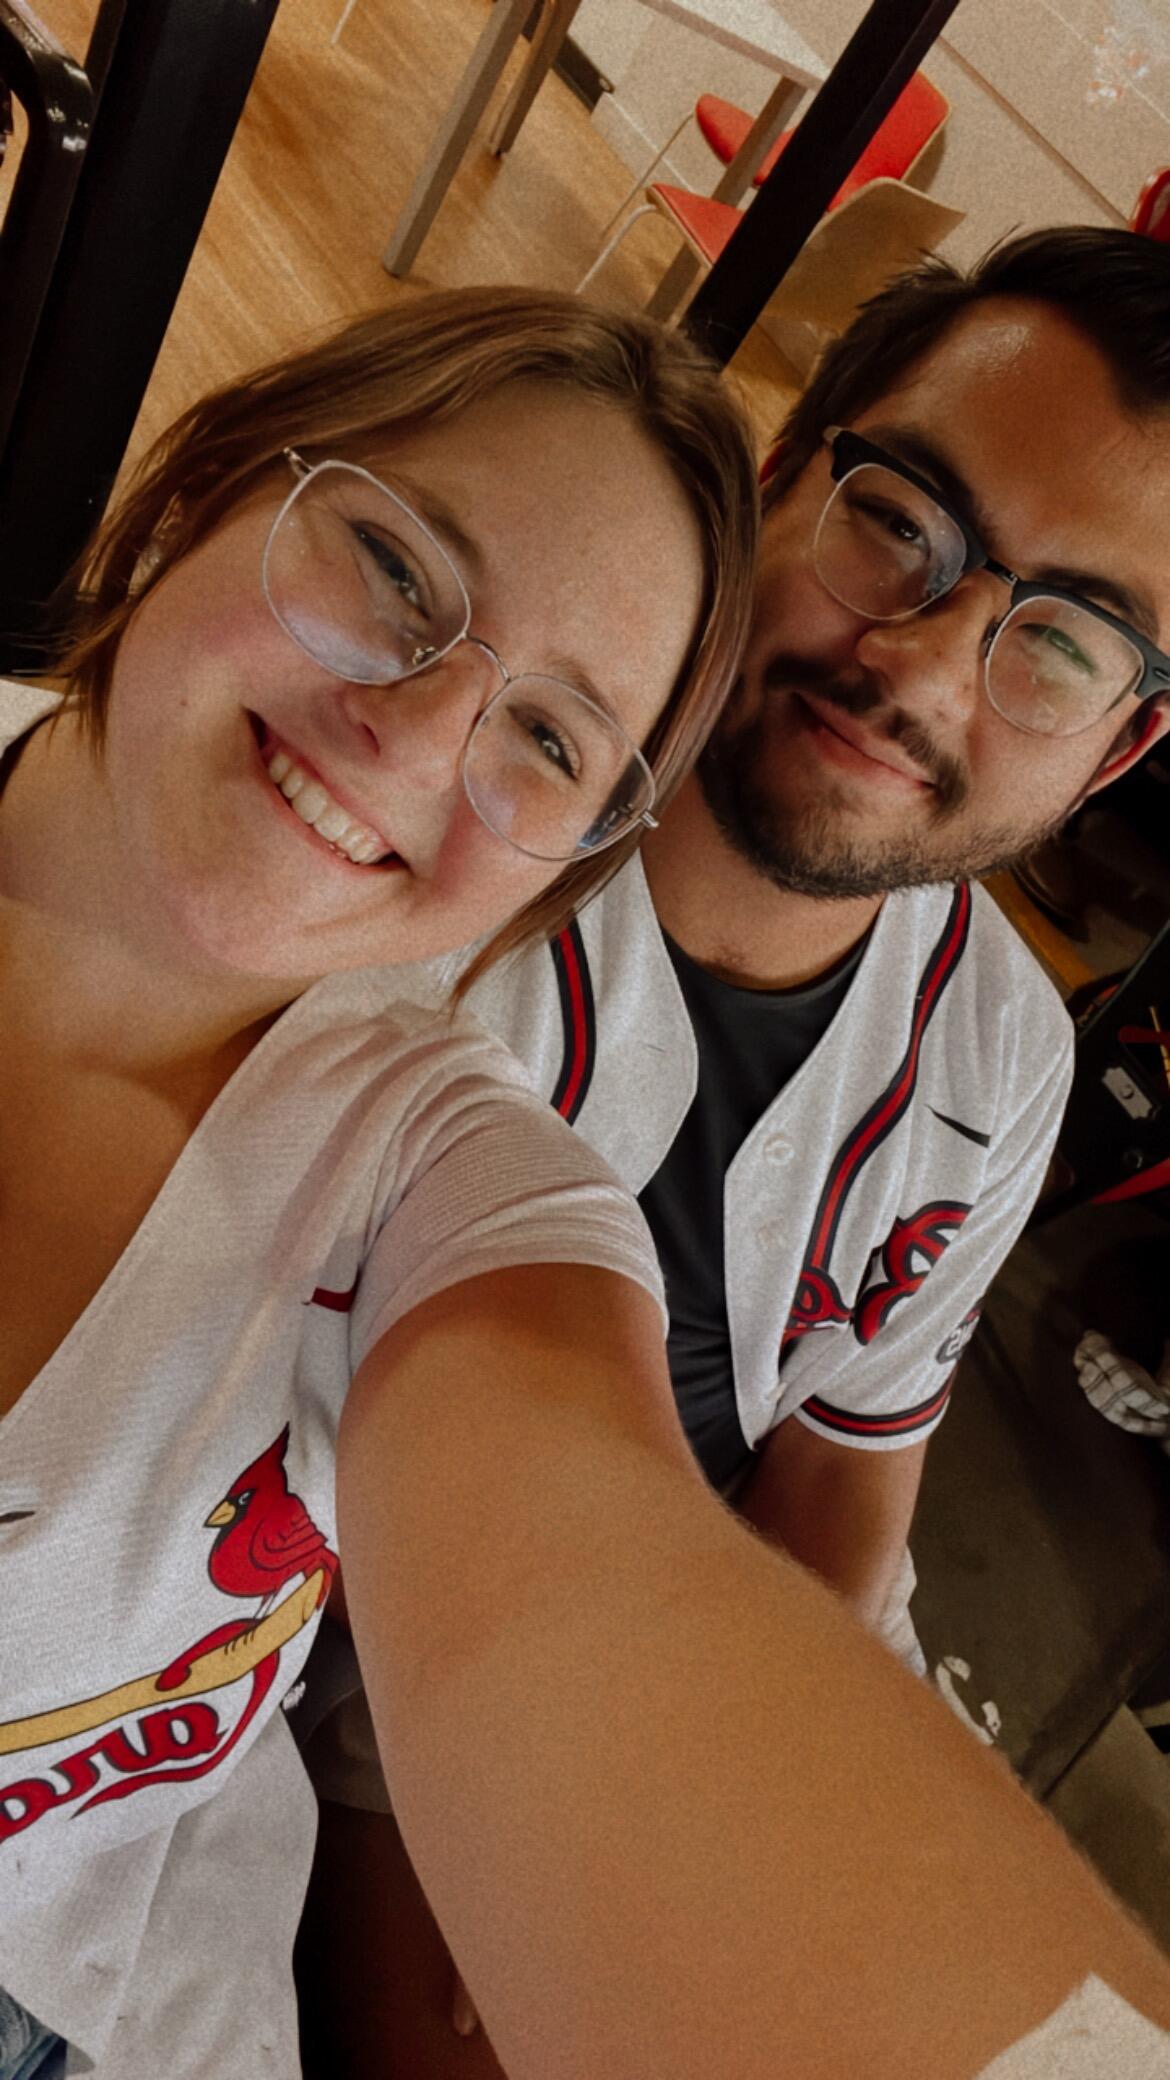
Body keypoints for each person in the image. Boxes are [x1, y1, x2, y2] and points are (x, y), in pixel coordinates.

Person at [294, 226, 1170, 2076]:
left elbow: (843, 1490)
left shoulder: (995, 1054)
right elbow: (355, 1598)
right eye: (899, 521)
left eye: (1062, 640)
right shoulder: (423, 866)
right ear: (781, 474)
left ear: (1116, 750)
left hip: (702, 1639)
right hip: (365, 1628)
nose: (924, 661)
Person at [0, 283, 759, 2079]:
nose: (416, 742)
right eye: (401, 577)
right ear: (213, 489)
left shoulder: (458, 1185)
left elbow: (606, 1576)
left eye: (551, 738)